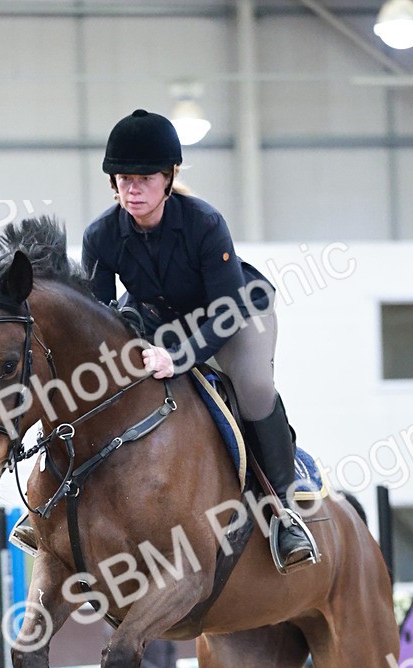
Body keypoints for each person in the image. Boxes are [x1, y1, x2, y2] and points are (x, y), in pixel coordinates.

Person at [81, 107, 318, 572]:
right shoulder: (101, 236)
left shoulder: (204, 223)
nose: (133, 189)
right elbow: (100, 318)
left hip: (235, 315)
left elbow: (225, 313)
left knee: (253, 387)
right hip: (160, 322)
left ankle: (284, 510)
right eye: (125, 179)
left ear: (169, 178)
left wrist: (179, 357)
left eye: (145, 179)